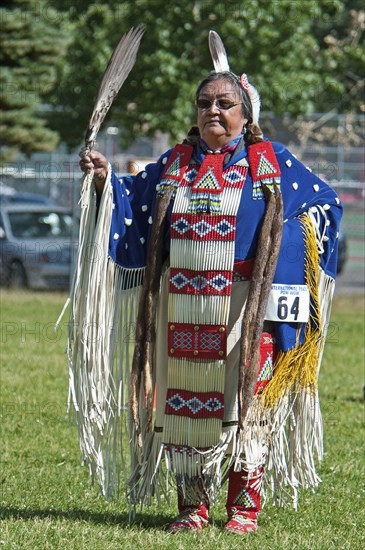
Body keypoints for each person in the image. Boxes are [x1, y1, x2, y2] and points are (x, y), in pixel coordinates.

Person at [73, 34, 342, 536]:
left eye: (225, 103)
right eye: (204, 103)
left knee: (249, 406)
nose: (212, 110)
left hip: (249, 305)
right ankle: (192, 508)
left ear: (246, 113)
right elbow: (130, 201)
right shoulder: (175, 164)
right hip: (184, 304)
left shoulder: (272, 163)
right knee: (186, 405)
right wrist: (106, 179)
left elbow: (323, 206)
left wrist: (288, 263)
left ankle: (244, 509)